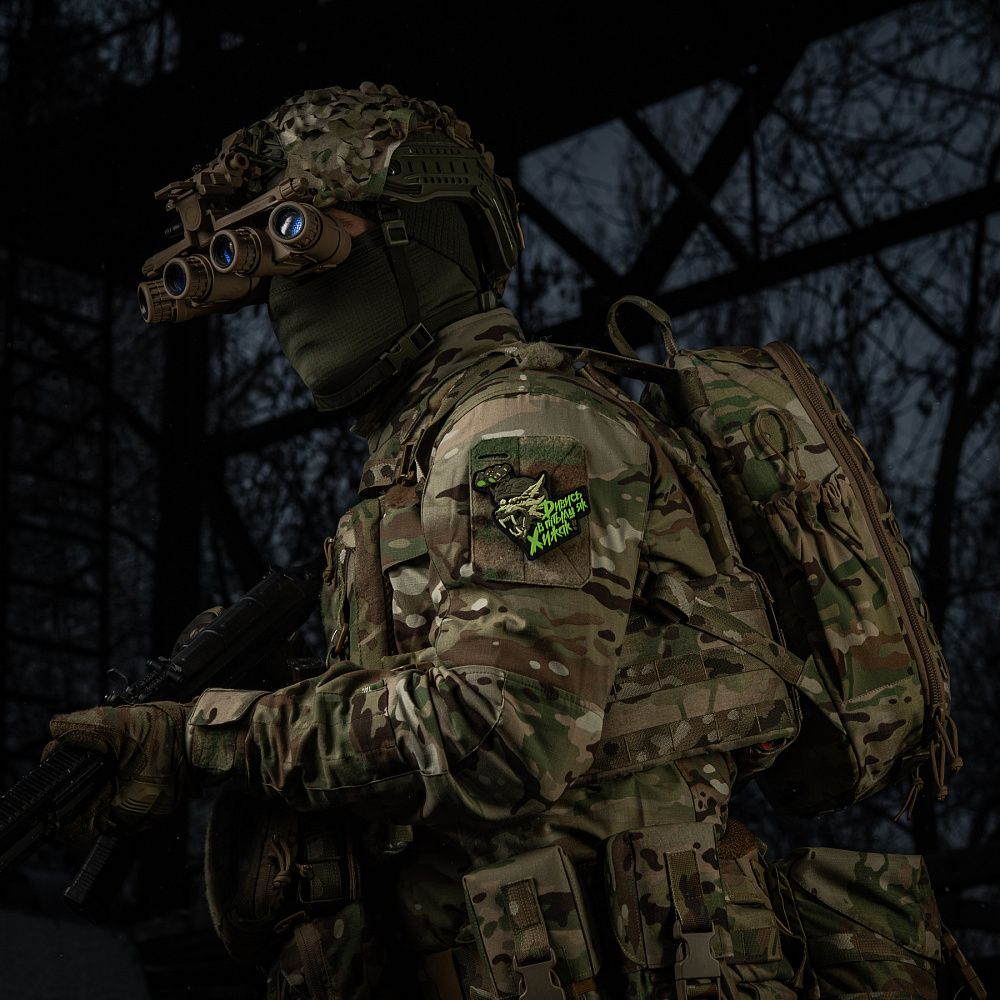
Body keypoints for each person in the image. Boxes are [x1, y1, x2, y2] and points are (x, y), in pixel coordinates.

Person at [47, 83, 967, 999]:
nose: (285, 304)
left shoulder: (520, 432)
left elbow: (504, 731)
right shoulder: (418, 467)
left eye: (302, 245)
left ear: (419, 240)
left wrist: (208, 737)